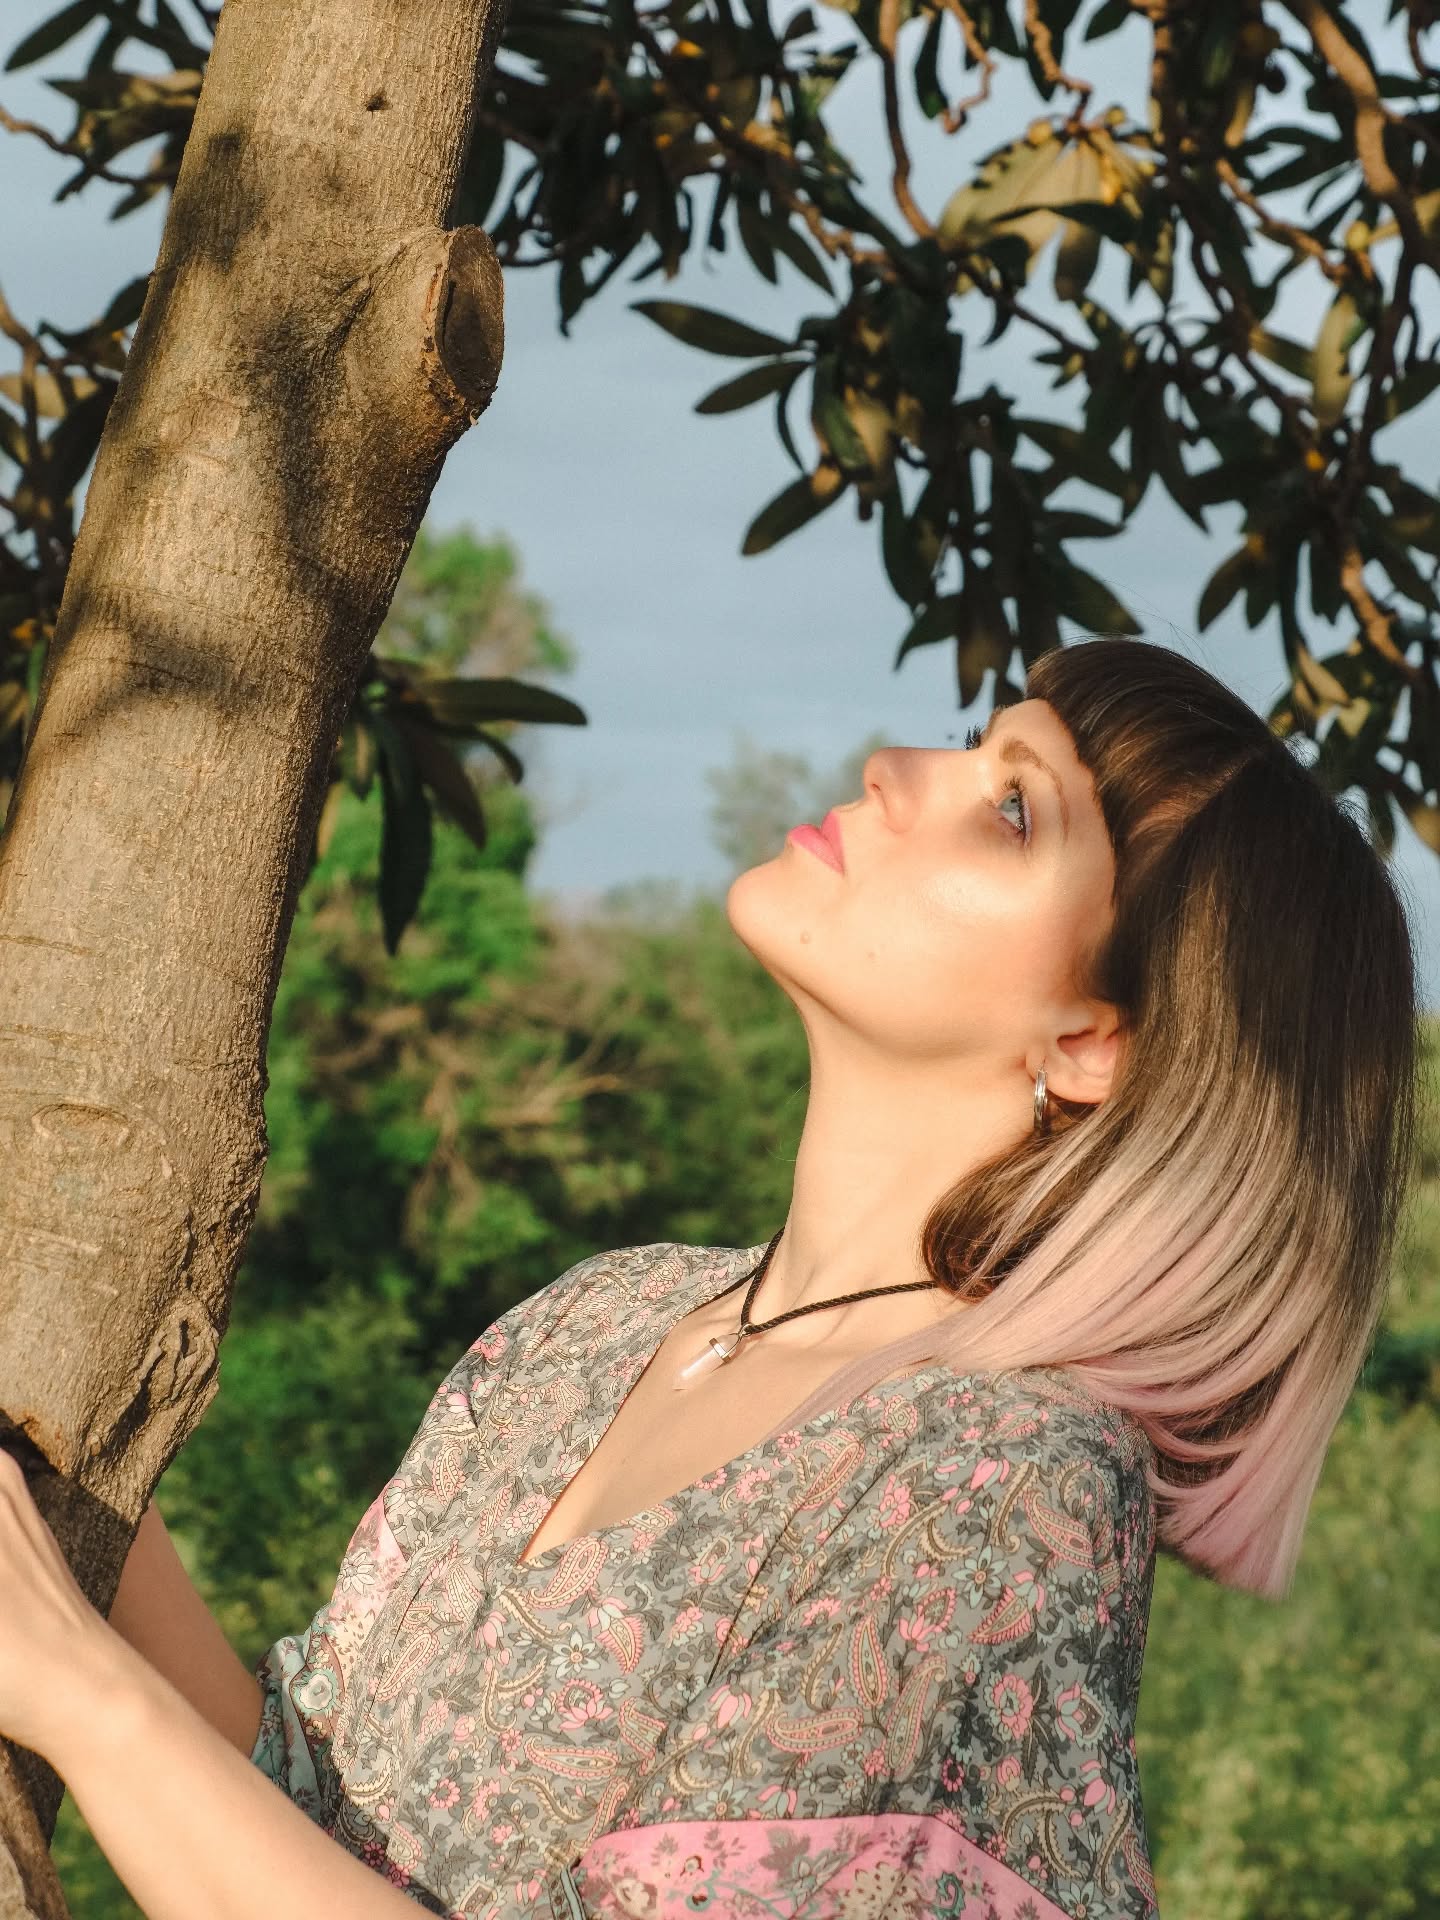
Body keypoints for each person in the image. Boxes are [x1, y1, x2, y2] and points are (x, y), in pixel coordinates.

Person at [0, 637, 1419, 1920]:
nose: (892, 766)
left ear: (1096, 1040)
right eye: (969, 743)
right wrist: (63, 1483)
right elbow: (291, 1812)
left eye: (1011, 807)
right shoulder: (594, 1320)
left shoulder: (998, 1487)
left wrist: (83, 1698)